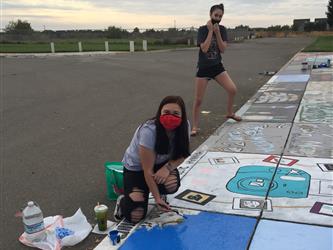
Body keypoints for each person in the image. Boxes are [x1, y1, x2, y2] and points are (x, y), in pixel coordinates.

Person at [114, 96, 190, 223]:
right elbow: (147, 170)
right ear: (159, 112)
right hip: (137, 169)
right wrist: (157, 198)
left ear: (182, 116)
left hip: (160, 165)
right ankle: (123, 201)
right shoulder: (149, 130)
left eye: (176, 113)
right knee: (135, 216)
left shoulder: (184, 127)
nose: (170, 117)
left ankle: (157, 190)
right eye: (166, 112)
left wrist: (167, 168)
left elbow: (182, 154)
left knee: (171, 184)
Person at [191, 3, 242, 136]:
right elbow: (204, 48)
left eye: (220, 16)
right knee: (198, 100)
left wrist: (218, 32)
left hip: (217, 67)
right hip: (203, 68)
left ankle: (230, 112)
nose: (218, 18)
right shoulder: (202, 29)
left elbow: (223, 49)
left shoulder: (223, 29)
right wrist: (210, 31)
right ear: (210, 14)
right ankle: (195, 126)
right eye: (216, 15)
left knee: (232, 89)